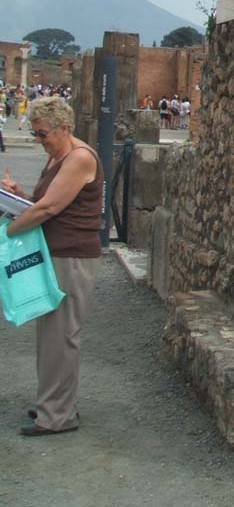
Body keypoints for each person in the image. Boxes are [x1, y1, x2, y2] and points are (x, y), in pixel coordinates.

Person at [2, 96, 104, 436]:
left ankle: (58, 415)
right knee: (51, 334)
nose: (39, 140)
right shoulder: (58, 156)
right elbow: (42, 203)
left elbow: (48, 209)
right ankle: (51, 403)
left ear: (63, 127)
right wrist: (19, 196)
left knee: (62, 335)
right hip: (56, 252)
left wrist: (8, 233)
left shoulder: (79, 158)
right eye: (35, 134)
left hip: (72, 255)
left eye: (43, 133)